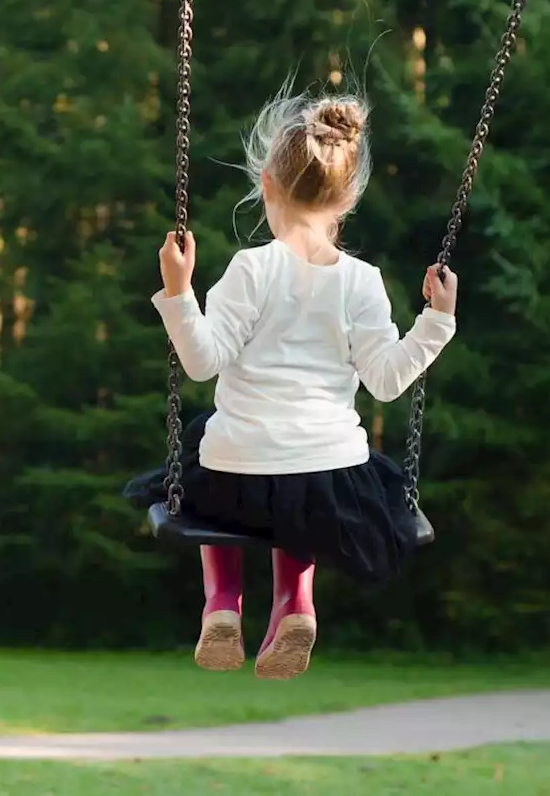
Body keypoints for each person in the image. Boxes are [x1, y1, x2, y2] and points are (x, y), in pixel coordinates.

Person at [124, 86, 459, 680]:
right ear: (347, 199)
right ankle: (296, 605)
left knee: (208, 453)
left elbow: (201, 362)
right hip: (328, 478)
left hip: (237, 474)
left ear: (267, 187)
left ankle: (222, 603)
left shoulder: (251, 269)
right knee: (303, 490)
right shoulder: (363, 281)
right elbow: (386, 382)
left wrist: (179, 293)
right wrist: (436, 321)